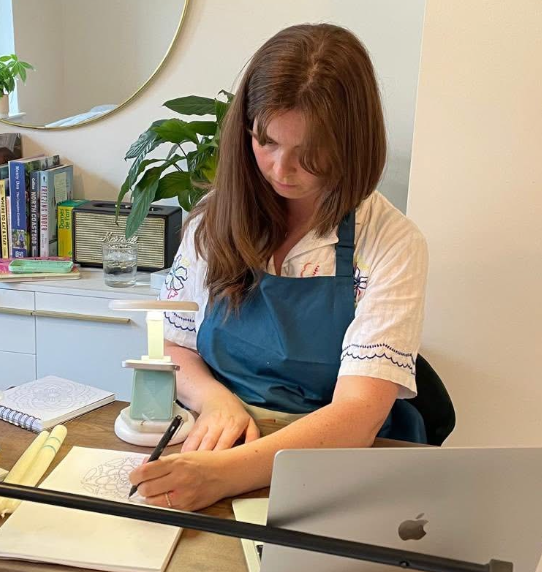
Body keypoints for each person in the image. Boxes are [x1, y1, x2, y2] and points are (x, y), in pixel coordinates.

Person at [129, 23, 428, 511]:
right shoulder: (213, 219)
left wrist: (222, 475)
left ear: (352, 144)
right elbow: (171, 342)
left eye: (309, 154)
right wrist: (215, 400)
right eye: (266, 141)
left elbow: (358, 415)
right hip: (216, 443)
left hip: (329, 465)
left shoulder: (390, 243)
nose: (281, 170)